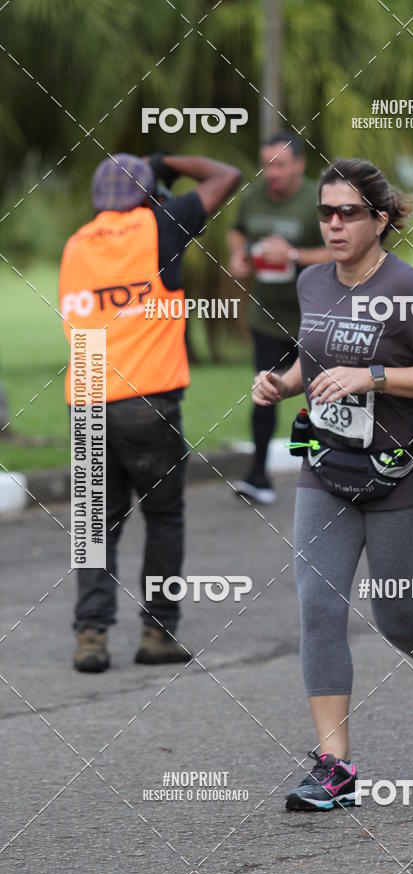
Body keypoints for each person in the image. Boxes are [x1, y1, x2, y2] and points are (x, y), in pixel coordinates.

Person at [252, 158, 413, 811]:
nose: (332, 223)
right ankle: (336, 767)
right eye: (325, 212)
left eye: (347, 212)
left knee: (395, 615)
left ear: (380, 220)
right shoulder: (312, 282)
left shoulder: (410, 288)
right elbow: (316, 351)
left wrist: (375, 377)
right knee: (319, 608)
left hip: (404, 474)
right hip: (327, 468)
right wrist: (284, 381)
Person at [60, 152, 241, 672]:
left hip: (89, 392)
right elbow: (225, 175)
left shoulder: (76, 243)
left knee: (95, 524)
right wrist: (163, 160)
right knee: (163, 517)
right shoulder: (159, 226)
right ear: (147, 194)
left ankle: (91, 636)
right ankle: (157, 633)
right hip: (147, 398)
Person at [228, 132, 330, 505]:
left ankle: (326, 473)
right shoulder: (252, 198)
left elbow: (340, 252)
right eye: (266, 164)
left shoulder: (318, 200)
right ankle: (258, 476)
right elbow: (238, 233)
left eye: (280, 164)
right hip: (268, 317)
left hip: (315, 317)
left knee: (323, 396)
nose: (272, 172)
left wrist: (293, 255)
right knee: (265, 394)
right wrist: (239, 258)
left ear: (300, 165)